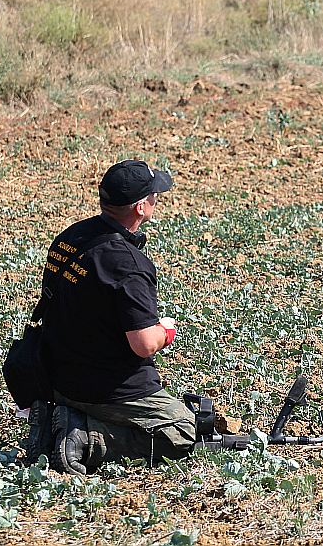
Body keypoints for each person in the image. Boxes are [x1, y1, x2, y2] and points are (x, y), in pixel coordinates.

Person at [25, 159, 196, 475]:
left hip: (56, 375)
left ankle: (61, 418)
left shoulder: (71, 237)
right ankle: (85, 438)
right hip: (101, 386)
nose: (157, 198)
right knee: (182, 429)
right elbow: (143, 344)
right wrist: (165, 331)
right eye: (154, 195)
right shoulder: (128, 264)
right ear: (140, 208)